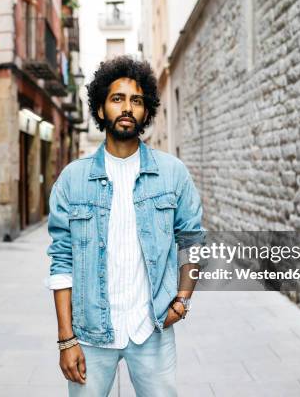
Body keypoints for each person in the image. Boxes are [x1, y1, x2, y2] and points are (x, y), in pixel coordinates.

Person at [45, 55, 204, 396]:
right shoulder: (73, 179)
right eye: (117, 99)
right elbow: (61, 260)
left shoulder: (172, 173)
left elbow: (191, 240)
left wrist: (183, 301)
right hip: (90, 333)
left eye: (136, 100)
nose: (127, 107)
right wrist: (65, 340)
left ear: (146, 111)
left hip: (152, 329)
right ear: (101, 109)